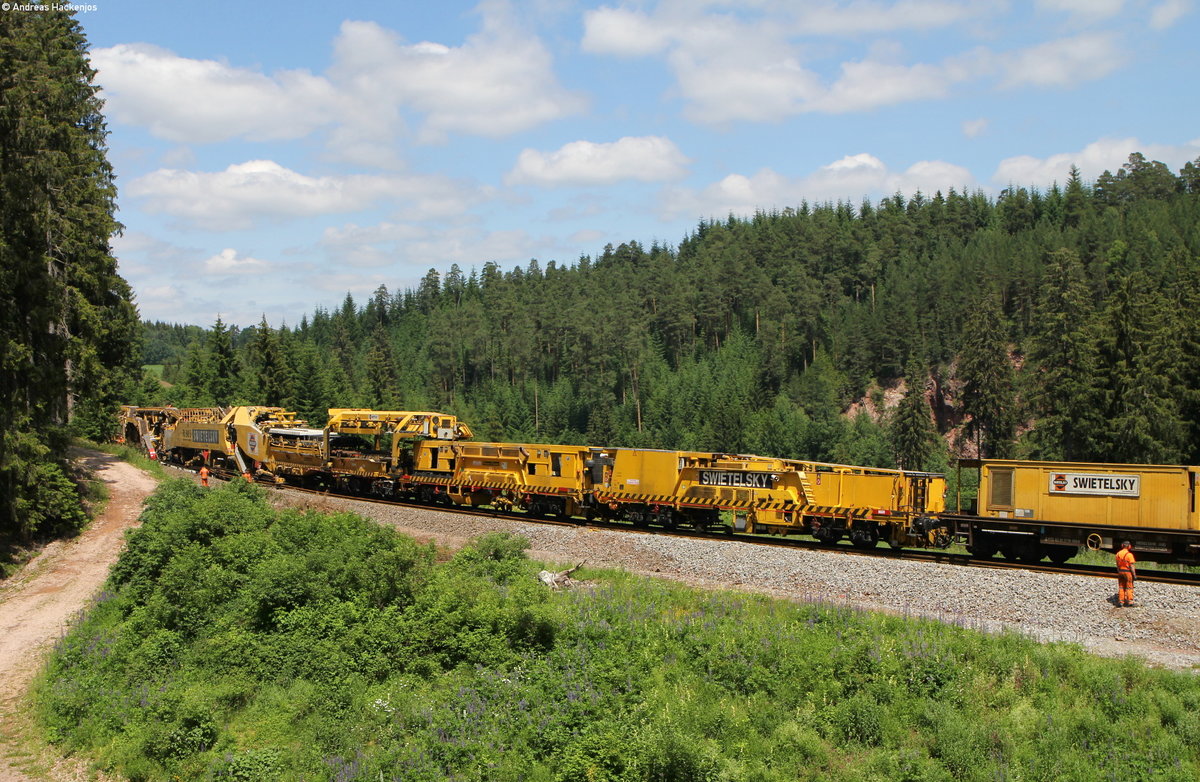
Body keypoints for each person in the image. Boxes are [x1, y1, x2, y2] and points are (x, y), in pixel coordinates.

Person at [1116, 541, 1137, 607]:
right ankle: (1130, 601)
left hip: (1120, 572)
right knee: (1129, 587)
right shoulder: (1129, 555)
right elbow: (1132, 566)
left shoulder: (1118, 554)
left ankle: (1121, 601)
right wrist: (1134, 575)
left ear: (1122, 545)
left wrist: (1119, 572)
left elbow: (1117, 565)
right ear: (1129, 546)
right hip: (1127, 572)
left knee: (1121, 587)